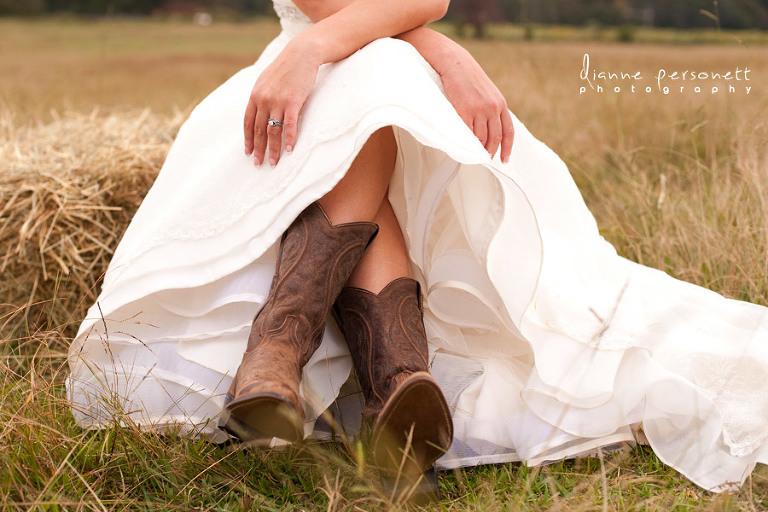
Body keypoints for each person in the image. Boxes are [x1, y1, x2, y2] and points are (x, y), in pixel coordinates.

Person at [68, 0, 768, 497]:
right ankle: (395, 384)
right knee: (375, 78)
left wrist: (421, 48)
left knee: (378, 79)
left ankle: (280, 349)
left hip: (363, 74)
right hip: (312, 85)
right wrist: (405, 48)